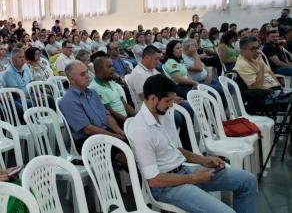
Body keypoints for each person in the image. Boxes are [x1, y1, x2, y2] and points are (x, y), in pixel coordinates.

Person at [127, 74, 257, 213]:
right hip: (165, 186)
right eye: (168, 101)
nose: (171, 105)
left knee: (248, 181)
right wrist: (193, 178)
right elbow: (154, 180)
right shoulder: (141, 130)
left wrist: (204, 160)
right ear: (153, 98)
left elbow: (176, 149)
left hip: (183, 171)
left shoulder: (162, 115)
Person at [59, 61, 128, 168]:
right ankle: (143, 182)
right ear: (72, 79)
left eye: (87, 72)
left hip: (104, 133)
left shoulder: (92, 93)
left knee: (135, 141)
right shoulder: (69, 101)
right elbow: (88, 129)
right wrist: (115, 137)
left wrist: (118, 131)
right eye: (82, 74)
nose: (87, 76)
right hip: (88, 141)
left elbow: (107, 115)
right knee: (125, 155)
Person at [90, 57, 136, 124]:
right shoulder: (94, 87)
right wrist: (129, 122)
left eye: (112, 66)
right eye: (109, 67)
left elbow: (124, 104)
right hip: (116, 122)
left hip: (126, 119)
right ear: (99, 69)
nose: (113, 69)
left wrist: (137, 117)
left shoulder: (110, 81)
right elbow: (110, 112)